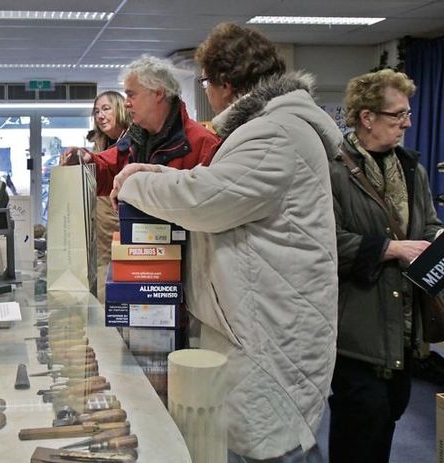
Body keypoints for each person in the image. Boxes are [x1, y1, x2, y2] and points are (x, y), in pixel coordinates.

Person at [110, 23, 342, 462]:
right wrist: (155, 174)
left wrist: (134, 184)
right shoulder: (272, 128)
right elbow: (217, 185)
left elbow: (207, 200)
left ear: (224, 84)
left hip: (270, 335)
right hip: (262, 322)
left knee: (272, 447)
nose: (207, 93)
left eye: (205, 82)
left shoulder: (278, 133)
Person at [328, 69, 442, 463]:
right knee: (359, 431)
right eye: (398, 115)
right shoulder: (333, 171)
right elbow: (324, 244)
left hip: (406, 332)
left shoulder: (413, 169)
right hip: (356, 334)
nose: (408, 123)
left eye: (408, 113)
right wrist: (390, 248)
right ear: (366, 117)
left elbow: (428, 225)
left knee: (388, 420)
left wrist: (435, 241)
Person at [63, 55, 221, 196]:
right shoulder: (133, 140)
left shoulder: (204, 143)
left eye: (131, 95)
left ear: (158, 93)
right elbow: (108, 170)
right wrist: (85, 160)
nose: (126, 104)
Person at [59, 91, 132, 300]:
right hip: (101, 235)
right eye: (97, 111)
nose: (100, 116)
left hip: (119, 233)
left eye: (106, 109)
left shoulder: (131, 143)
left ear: (121, 108)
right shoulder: (104, 144)